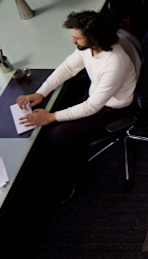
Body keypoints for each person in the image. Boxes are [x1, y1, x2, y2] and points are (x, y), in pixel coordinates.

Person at [15, 11, 138, 201]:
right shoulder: (90, 47)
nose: (73, 41)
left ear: (93, 37)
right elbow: (68, 68)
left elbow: (91, 107)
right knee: (52, 118)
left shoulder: (114, 64)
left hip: (112, 108)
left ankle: (83, 172)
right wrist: (41, 92)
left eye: (76, 37)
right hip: (96, 96)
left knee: (55, 134)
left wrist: (51, 116)